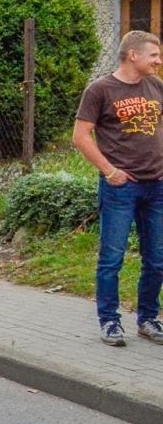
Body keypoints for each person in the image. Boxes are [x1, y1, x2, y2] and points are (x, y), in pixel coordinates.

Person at [74, 29, 163, 346]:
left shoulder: (155, 85)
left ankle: (148, 318)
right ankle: (110, 321)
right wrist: (110, 172)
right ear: (133, 55)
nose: (159, 60)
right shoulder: (100, 90)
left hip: (157, 187)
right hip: (120, 189)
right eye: (154, 55)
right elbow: (81, 136)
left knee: (157, 259)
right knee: (112, 259)